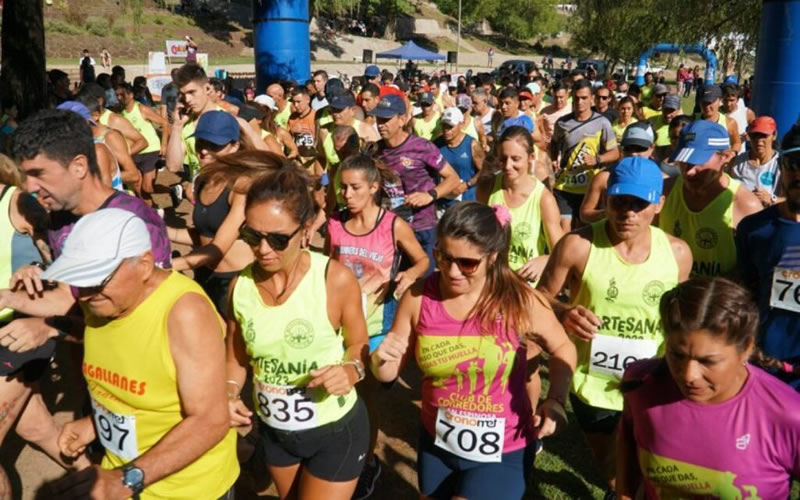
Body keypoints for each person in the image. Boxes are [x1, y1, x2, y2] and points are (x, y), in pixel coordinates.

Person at [371, 201, 576, 499]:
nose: (452, 271)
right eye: (443, 257)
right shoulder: (418, 298)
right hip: (437, 443)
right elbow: (387, 373)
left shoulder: (518, 299)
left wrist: (556, 399)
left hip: (504, 448)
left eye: (467, 263)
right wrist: (380, 360)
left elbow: (563, 347)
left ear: (492, 257)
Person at [41, 208, 239, 499]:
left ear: (145, 264)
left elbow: (211, 420)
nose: (84, 294)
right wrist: (94, 424)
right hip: (123, 475)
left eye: (97, 280)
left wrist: (126, 479)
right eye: (77, 280)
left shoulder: (184, 313)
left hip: (185, 490)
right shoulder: (101, 300)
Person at [538, 157, 692, 497]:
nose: (628, 213)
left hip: (654, 381)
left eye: (639, 204)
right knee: (609, 465)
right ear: (607, 199)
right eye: (620, 201)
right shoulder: (577, 245)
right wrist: (564, 312)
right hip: (592, 383)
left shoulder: (678, 254)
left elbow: (681, 319)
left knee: (652, 467)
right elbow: (539, 298)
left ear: (659, 204)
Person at [226, 167, 370, 500]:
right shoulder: (239, 287)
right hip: (276, 433)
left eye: (277, 239)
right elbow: (235, 358)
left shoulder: (334, 280)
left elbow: (359, 344)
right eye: (252, 236)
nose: (263, 249)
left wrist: (350, 370)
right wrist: (230, 392)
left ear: (305, 231)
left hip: (334, 430)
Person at [617, 277, 800, 499]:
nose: (689, 375)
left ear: (746, 349)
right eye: (677, 355)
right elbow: (627, 457)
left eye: (707, 361)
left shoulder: (789, 414)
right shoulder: (642, 384)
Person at [326, 154, 429, 498]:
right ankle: (337, 455)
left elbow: (423, 260)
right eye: (343, 187)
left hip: (376, 327)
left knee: (365, 398)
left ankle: (367, 462)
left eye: (355, 187)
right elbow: (328, 267)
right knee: (337, 394)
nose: (347, 194)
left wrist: (409, 274)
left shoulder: (392, 225)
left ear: (373, 188)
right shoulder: (334, 223)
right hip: (338, 326)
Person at [735, 120, 800, 389]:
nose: (798, 174)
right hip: (767, 371)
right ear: (780, 167)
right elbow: (747, 293)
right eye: (792, 164)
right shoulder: (754, 229)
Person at [369, 95, 460, 274]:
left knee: (423, 283)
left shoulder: (422, 147)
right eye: (379, 119)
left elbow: (453, 178)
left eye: (386, 119)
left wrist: (430, 195)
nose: (381, 125)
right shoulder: (375, 151)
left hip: (422, 228)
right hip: (390, 229)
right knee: (392, 282)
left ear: (402, 120)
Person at [659, 120, 761, 278]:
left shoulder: (745, 205)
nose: (689, 172)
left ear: (726, 157)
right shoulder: (664, 192)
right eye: (683, 161)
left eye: (698, 161)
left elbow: (754, 268)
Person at [478, 126, 563, 282]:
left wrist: (545, 259)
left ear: (531, 157)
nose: (507, 166)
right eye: (503, 158)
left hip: (525, 287)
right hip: (490, 282)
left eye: (515, 159)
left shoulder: (543, 199)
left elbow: (562, 252)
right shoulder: (487, 188)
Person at [551, 79, 620, 231]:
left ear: (592, 98)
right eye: (577, 98)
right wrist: (553, 159)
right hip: (564, 186)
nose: (580, 102)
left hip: (589, 187)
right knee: (564, 228)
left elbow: (615, 153)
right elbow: (554, 143)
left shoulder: (602, 123)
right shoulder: (562, 123)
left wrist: (598, 159)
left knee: (584, 231)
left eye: (584, 98)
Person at [166, 64, 223, 202]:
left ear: (207, 88)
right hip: (201, 195)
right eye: (183, 94)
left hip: (225, 195)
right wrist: (177, 126)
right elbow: (173, 166)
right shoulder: (186, 125)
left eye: (192, 92)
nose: (187, 99)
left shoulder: (227, 120)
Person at [579, 121, 656, 224]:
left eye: (639, 148)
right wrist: (612, 212)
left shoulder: (660, 178)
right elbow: (585, 214)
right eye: (628, 148)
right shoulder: (604, 177)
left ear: (652, 148)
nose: (633, 153)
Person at [116, 82, 170, 205]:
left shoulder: (141, 109)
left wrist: (164, 145)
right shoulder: (121, 114)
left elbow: (164, 123)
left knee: (147, 188)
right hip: (134, 151)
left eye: (122, 95)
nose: (119, 98)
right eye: (117, 95)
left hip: (150, 150)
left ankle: (172, 192)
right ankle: (153, 210)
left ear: (131, 95)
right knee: (138, 187)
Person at [434, 107, 485, 207]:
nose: (446, 130)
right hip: (442, 203)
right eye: (444, 126)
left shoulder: (471, 144)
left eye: (450, 127)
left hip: (467, 203)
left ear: (461, 125)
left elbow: (485, 170)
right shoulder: (436, 144)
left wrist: (466, 184)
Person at [728, 116, 781, 207]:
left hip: (769, 214)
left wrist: (772, 199)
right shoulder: (736, 163)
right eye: (754, 136)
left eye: (764, 135)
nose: (758, 140)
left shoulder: (782, 164)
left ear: (774, 135)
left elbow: (793, 199)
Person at [696, 84, 742, 154]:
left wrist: (732, 154)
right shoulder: (692, 121)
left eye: (711, 102)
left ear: (720, 100)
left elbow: (737, 143)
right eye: (704, 102)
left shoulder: (729, 123)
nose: (707, 106)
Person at [540, 82, 572, 151]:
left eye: (561, 97)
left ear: (567, 95)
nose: (558, 100)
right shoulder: (545, 111)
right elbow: (539, 130)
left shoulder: (572, 110)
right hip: (549, 149)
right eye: (556, 97)